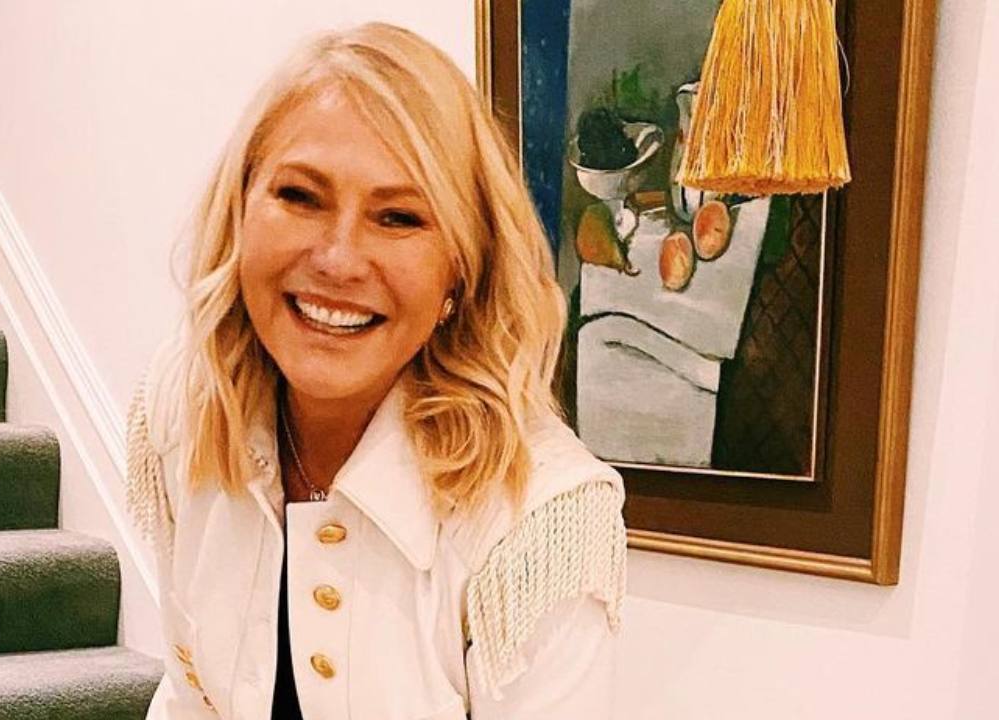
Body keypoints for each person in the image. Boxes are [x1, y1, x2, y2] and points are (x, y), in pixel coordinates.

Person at [125, 21, 627, 719]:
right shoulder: (185, 406)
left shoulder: (540, 515)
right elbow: (190, 701)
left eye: (398, 218)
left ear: (461, 269)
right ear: (239, 210)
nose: (337, 259)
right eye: (300, 197)